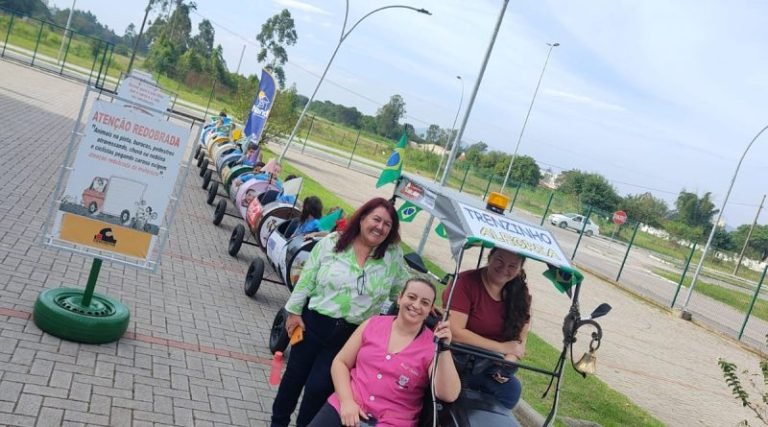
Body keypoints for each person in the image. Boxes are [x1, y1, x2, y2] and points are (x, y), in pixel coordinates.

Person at [271, 197, 410, 427]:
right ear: (363, 217)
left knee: (319, 389)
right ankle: (277, 423)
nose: (380, 227)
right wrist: (293, 313)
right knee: (293, 380)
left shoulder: (392, 256)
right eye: (376, 219)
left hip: (350, 337)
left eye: (387, 224)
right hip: (313, 324)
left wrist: (424, 301)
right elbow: (307, 277)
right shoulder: (334, 242)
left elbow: (403, 289)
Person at [308, 278, 461, 427]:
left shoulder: (431, 346)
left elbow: (448, 394)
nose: (416, 305)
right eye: (411, 297)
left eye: (424, 303)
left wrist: (445, 348)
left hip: (393, 421)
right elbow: (340, 362)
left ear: (429, 310)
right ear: (400, 298)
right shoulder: (372, 324)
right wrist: (347, 401)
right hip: (349, 404)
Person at [442, 247, 531, 409]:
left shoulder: (520, 293)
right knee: (447, 393)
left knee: (511, 390)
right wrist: (502, 348)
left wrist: (506, 363)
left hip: (490, 365)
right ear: (489, 257)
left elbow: (521, 335)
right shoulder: (465, 282)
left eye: (512, 265)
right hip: (455, 357)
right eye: (499, 260)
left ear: (519, 269)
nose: (504, 269)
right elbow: (455, 333)